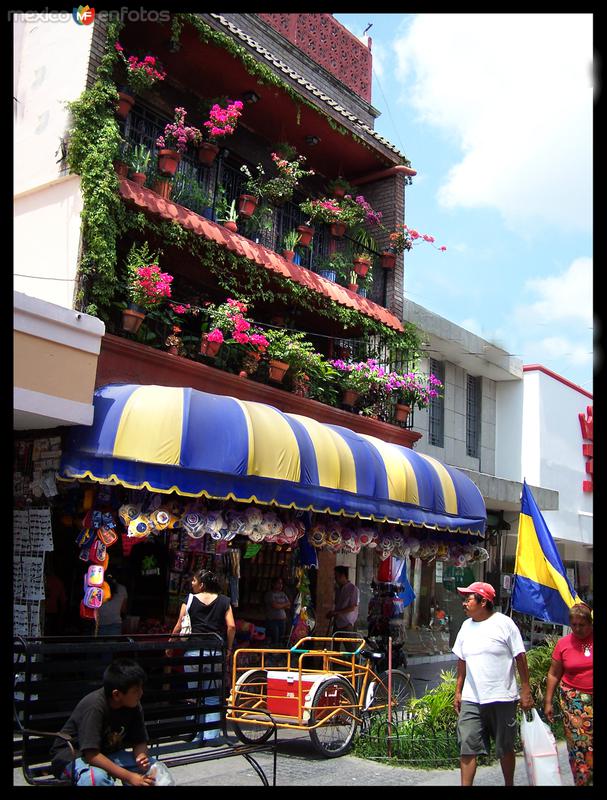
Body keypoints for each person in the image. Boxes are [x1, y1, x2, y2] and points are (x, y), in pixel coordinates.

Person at [452, 581, 533, 786]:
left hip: (502, 697)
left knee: (504, 747)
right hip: (472, 698)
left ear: (484, 601)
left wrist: (525, 689)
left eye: (468, 598)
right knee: (467, 747)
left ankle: (509, 783)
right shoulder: (465, 627)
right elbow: (461, 660)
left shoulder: (504, 624)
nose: (464, 603)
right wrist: (458, 691)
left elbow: (520, 657)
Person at [49, 658, 163, 786]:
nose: (141, 693)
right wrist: (130, 777)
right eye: (136, 691)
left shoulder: (134, 705)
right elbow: (91, 755)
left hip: (107, 754)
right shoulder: (95, 707)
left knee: (156, 770)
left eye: (141, 688)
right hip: (73, 757)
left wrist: (141, 756)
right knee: (96, 779)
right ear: (116, 695)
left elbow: (140, 741)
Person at [169, 570, 236, 746]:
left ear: (202, 585)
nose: (192, 583)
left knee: (194, 693)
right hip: (214, 653)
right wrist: (228, 647)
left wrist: (170, 645)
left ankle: (195, 734)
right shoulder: (224, 601)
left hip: (193, 652)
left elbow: (178, 625)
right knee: (212, 694)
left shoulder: (189, 599)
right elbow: (231, 626)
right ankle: (211, 736)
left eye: (194, 580)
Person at [544, 603, 593, 786]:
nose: (578, 629)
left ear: (590, 623)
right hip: (574, 704)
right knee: (579, 748)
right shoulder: (564, 644)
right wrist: (548, 701)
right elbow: (554, 673)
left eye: (582, 625)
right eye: (574, 625)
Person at [326, 566, 359, 635]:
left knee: (349, 644)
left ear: (343, 576)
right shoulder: (338, 589)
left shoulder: (353, 589)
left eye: (336, 576)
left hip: (346, 623)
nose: (335, 579)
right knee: (335, 644)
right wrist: (334, 613)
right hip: (337, 622)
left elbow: (352, 607)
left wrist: (336, 612)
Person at [264, 577, 291, 646]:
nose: (280, 585)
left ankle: (279, 654)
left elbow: (289, 605)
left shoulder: (283, 594)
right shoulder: (270, 594)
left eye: (281, 583)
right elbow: (275, 606)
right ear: (273, 584)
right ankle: (273, 654)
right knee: (274, 638)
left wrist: (280, 605)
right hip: (273, 621)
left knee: (281, 639)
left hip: (282, 620)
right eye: (278, 583)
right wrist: (284, 605)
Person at [44, 559, 67, 635]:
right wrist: (61, 616)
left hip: (43, 609)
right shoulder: (58, 582)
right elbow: (63, 601)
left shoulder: (43, 580)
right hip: (53, 610)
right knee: (50, 631)